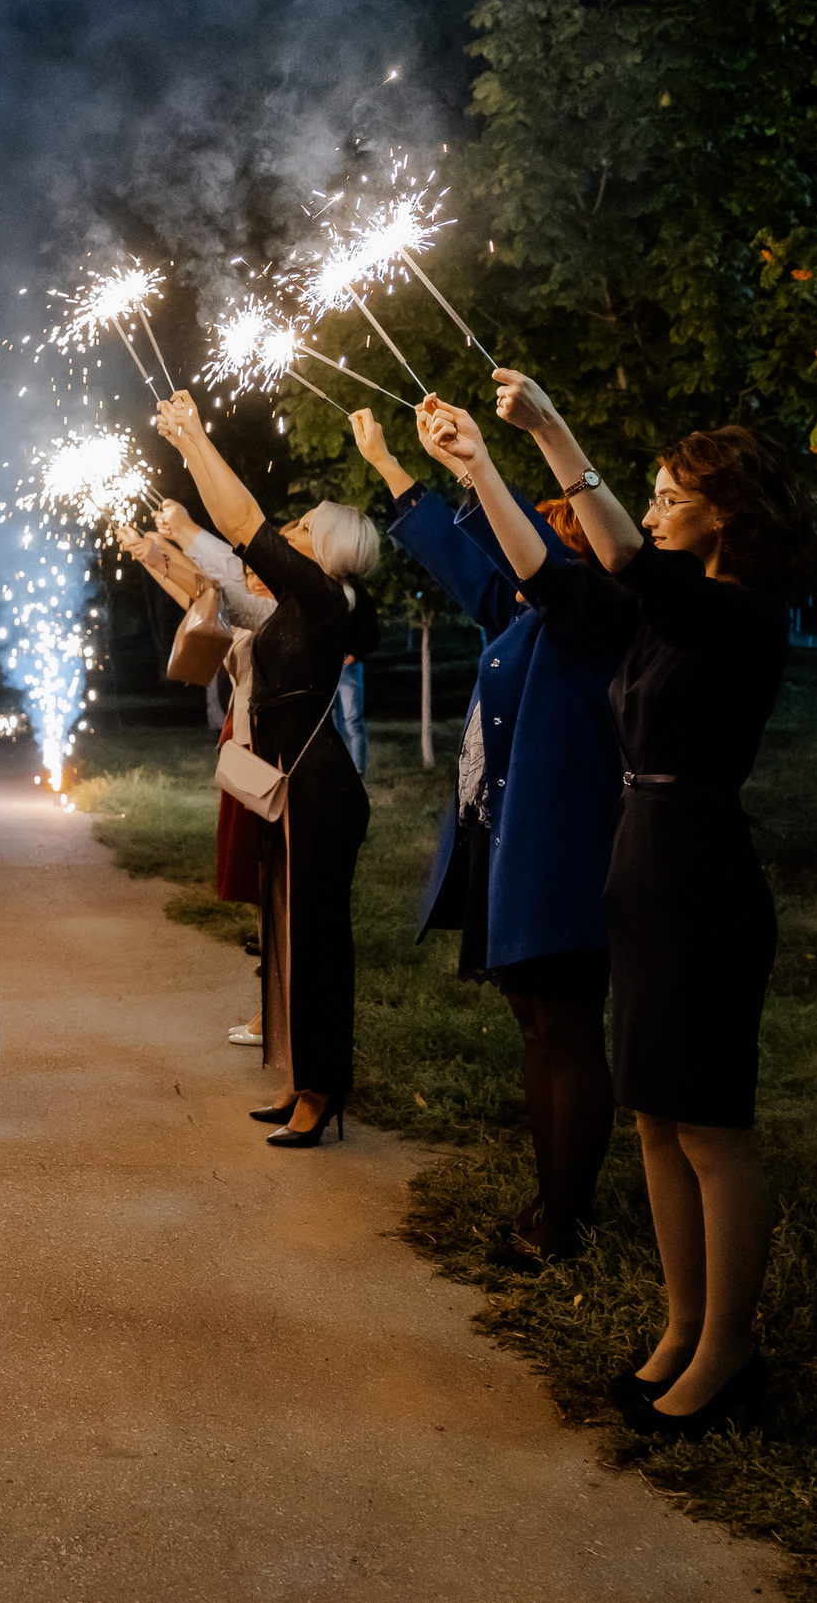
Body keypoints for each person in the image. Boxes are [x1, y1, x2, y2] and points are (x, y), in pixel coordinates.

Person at [420, 369, 817, 1438]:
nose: (648, 510)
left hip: (702, 874)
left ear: (724, 514)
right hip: (638, 862)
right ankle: (680, 1326)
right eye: (642, 492)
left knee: (710, 1126)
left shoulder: (735, 617)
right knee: (654, 1117)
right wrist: (478, 468)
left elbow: (630, 561)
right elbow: (550, 577)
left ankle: (728, 1347)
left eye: (666, 494)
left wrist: (550, 430)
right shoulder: (652, 616)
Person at [351, 407, 622, 1264]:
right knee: (538, 1029)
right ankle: (550, 1203)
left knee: (568, 1033)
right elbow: (462, 559)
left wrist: (480, 469)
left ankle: (566, 1222)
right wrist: (392, 467)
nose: (530, 532)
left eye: (551, 522)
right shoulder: (523, 614)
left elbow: (518, 560)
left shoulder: (597, 613)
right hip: (515, 851)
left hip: (568, 856)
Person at [154, 390, 377, 1148]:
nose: (292, 531)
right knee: (285, 938)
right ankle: (298, 1079)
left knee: (316, 942)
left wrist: (194, 439)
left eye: (306, 527)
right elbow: (213, 590)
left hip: (318, 786)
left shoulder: (323, 600)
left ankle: (322, 1090)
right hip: (291, 784)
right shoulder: (290, 607)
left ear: (330, 548)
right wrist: (168, 535)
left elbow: (244, 529)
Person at [121, 509, 275, 1046]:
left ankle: (274, 1012)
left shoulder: (288, 614)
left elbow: (216, 587)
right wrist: (152, 558)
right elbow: (201, 601)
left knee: (271, 887)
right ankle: (268, 1008)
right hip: (246, 748)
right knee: (260, 886)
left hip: (265, 755)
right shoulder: (266, 609)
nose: (255, 569)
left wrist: (171, 544)